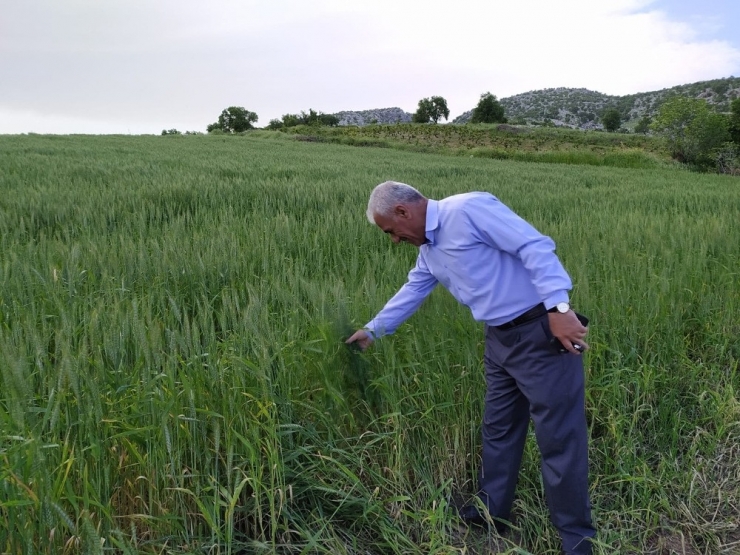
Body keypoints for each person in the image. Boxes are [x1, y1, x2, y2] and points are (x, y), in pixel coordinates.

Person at [346, 181, 596, 555]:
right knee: (498, 427)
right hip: (499, 339)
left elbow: (534, 245)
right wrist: (372, 331)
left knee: (560, 438)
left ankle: (577, 540)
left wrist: (558, 310)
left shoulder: (467, 210)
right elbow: (414, 288)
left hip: (540, 333)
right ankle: (490, 512)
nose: (394, 240)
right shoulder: (429, 250)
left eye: (391, 231)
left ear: (403, 212)